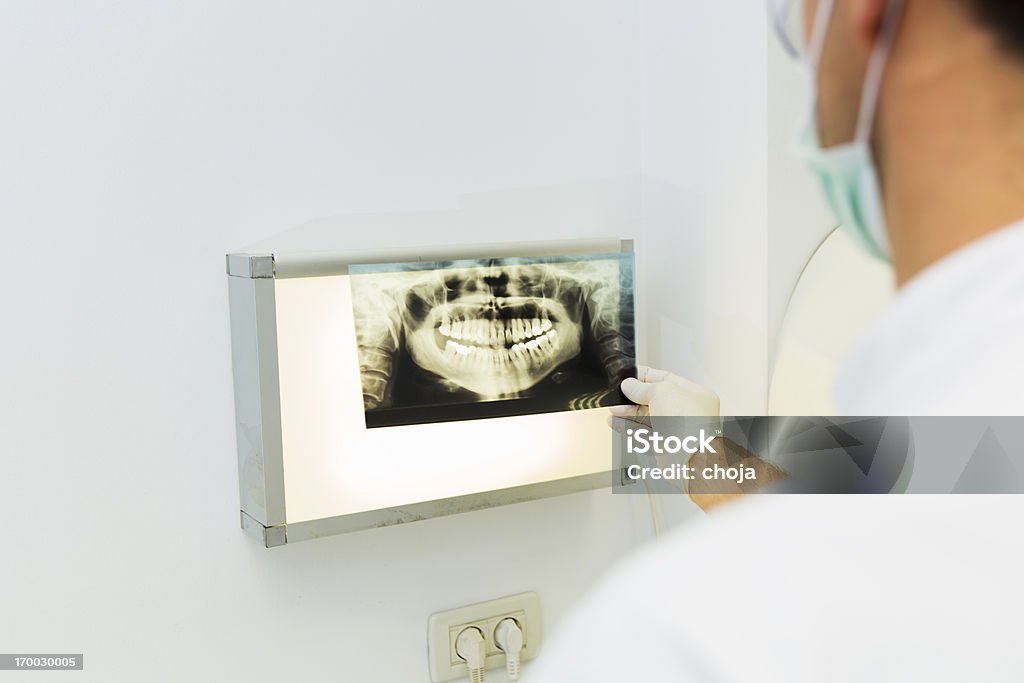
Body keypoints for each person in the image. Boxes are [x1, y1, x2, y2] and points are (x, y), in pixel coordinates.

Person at [528, 0, 1024, 679]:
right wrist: (704, 459)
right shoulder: (979, 407)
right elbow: (895, 521)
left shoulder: (672, 641)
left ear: (861, 13)